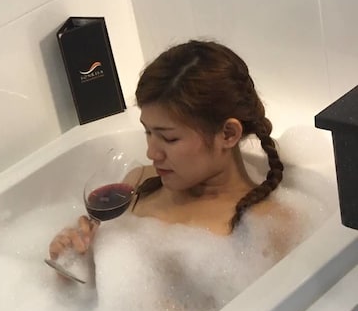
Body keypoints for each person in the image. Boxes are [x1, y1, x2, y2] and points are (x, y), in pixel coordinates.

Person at [49, 39, 286, 264]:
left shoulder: (265, 229)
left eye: (169, 138)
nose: (152, 153)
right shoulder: (139, 183)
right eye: (148, 132)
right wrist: (75, 255)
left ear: (228, 134)